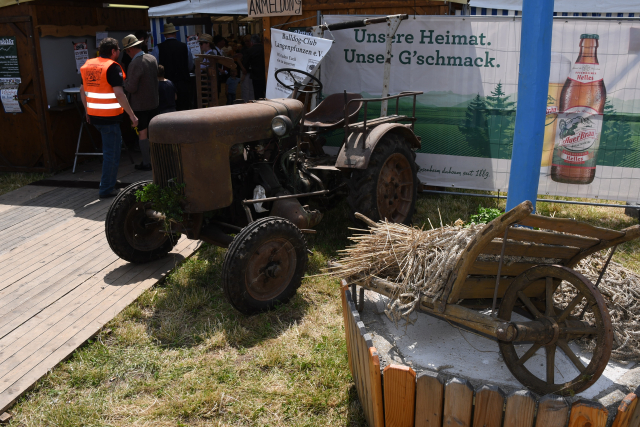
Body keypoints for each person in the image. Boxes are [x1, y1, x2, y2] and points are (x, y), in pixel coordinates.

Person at [80, 37, 138, 199]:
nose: (119, 52)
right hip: (109, 118)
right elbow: (119, 94)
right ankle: (106, 188)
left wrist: (87, 110)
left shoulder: (88, 65)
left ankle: (109, 180)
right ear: (113, 51)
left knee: (109, 151)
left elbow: (82, 90)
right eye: (118, 49)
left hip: (95, 116)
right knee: (111, 154)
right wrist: (132, 115)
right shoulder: (112, 67)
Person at [122, 34, 159, 171]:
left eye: (127, 51)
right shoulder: (152, 58)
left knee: (142, 133)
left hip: (140, 104)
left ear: (130, 49)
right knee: (153, 132)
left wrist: (124, 82)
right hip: (153, 101)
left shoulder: (135, 63)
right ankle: (156, 160)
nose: (127, 54)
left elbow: (131, 87)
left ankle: (147, 162)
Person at [150, 23, 193, 111]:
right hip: (183, 82)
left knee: (168, 109)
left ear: (165, 35)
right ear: (175, 33)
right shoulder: (185, 47)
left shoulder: (158, 48)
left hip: (165, 84)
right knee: (183, 109)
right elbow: (190, 65)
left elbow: (154, 66)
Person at [243, 34, 265, 99]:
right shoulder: (265, 48)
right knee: (265, 92)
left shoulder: (250, 50)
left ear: (251, 42)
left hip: (255, 75)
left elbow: (245, 63)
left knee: (257, 93)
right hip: (266, 74)